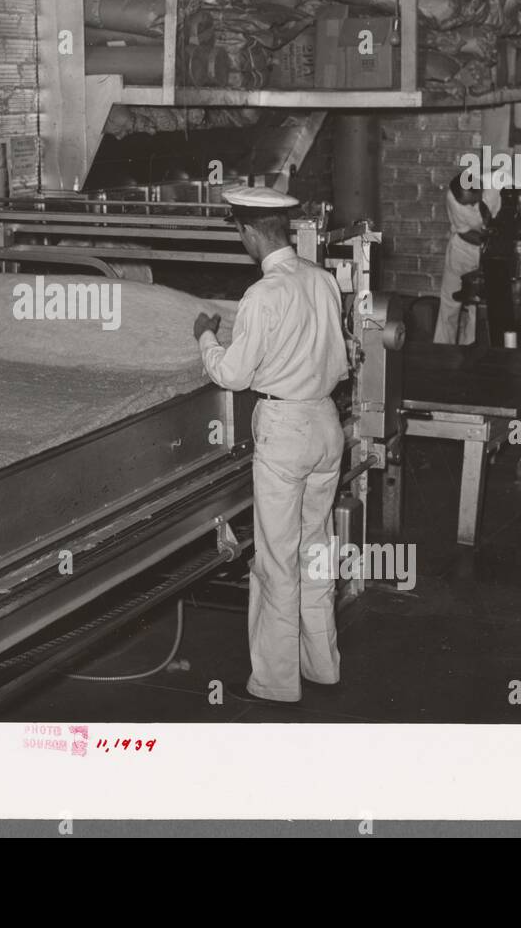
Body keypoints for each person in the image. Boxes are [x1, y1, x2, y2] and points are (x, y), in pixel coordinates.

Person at [193, 186, 350, 704]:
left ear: (249, 231)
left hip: (285, 430)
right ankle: (322, 665)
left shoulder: (262, 295)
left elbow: (234, 376)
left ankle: (276, 682)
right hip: (328, 424)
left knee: (277, 559)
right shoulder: (323, 280)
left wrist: (206, 338)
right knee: (316, 548)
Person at [433, 172, 502, 345]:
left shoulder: (497, 188)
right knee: (450, 303)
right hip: (462, 249)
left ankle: (471, 350)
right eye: (465, 203)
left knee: (476, 306)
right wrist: (489, 240)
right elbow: (464, 232)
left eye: (472, 200)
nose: (470, 205)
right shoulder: (453, 197)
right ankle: (441, 348)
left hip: (489, 252)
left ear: (479, 188)